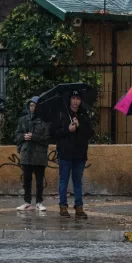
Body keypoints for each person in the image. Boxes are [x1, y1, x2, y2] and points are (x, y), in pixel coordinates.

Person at [55, 90, 94, 218]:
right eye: (73, 98)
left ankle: (79, 207)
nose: (75, 101)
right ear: (70, 99)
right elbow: (54, 133)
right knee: (63, 181)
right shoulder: (62, 114)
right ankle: (63, 206)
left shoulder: (84, 114)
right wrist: (68, 129)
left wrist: (80, 126)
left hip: (80, 154)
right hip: (65, 153)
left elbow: (90, 132)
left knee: (78, 181)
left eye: (78, 98)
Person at [15, 96, 51, 211]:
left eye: (34, 106)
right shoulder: (23, 120)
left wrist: (33, 137)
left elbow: (46, 139)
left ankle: (39, 202)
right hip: (26, 154)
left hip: (39, 155)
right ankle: (27, 202)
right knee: (26, 180)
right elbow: (17, 136)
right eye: (30, 106)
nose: (32, 108)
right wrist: (23, 137)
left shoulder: (45, 121)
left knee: (39, 181)